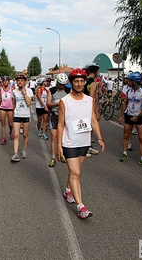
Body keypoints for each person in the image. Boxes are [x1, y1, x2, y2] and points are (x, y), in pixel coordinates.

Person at [57, 68, 105, 219]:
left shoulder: (89, 100)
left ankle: (67, 190)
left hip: (84, 142)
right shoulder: (64, 102)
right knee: (76, 173)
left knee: (74, 171)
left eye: (81, 81)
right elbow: (60, 124)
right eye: (76, 81)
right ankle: (81, 207)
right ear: (71, 83)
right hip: (69, 142)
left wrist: (99, 138)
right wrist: (59, 145)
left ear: (84, 83)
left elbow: (92, 119)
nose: (79, 84)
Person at [118, 71, 142, 167]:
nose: (128, 82)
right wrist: (121, 115)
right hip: (129, 115)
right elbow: (125, 103)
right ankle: (124, 154)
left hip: (139, 116)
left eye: (130, 80)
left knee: (141, 138)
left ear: (135, 82)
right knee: (126, 135)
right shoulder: (129, 91)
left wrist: (138, 117)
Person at [47, 73, 68, 167]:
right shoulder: (51, 90)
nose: (62, 86)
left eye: (64, 84)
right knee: (54, 137)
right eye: (60, 84)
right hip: (54, 115)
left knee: (63, 137)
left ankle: (62, 154)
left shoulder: (68, 90)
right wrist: (58, 103)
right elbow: (48, 103)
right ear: (57, 83)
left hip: (65, 116)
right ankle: (53, 157)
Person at [11, 74, 33, 162]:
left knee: (25, 134)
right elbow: (14, 103)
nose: (20, 82)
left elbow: (28, 103)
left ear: (25, 82)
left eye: (21, 80)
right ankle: (15, 153)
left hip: (26, 115)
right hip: (17, 115)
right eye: (18, 80)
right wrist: (14, 112)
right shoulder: (14, 91)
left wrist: (24, 93)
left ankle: (24, 149)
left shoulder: (29, 91)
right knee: (16, 135)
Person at [84, 63, 100, 157]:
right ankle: (85, 148)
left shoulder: (84, 81)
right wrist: (96, 111)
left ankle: (88, 146)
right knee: (89, 127)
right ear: (95, 72)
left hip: (81, 105)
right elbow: (91, 98)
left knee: (86, 127)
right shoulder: (92, 83)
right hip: (88, 106)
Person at [0, 75, 14, 145]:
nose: (5, 82)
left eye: (7, 80)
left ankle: (10, 131)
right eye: (4, 81)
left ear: (9, 82)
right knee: (3, 123)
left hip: (10, 108)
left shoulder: (11, 89)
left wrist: (14, 108)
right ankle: (3, 137)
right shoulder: (1, 89)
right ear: (2, 82)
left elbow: (13, 99)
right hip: (2, 108)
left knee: (10, 123)